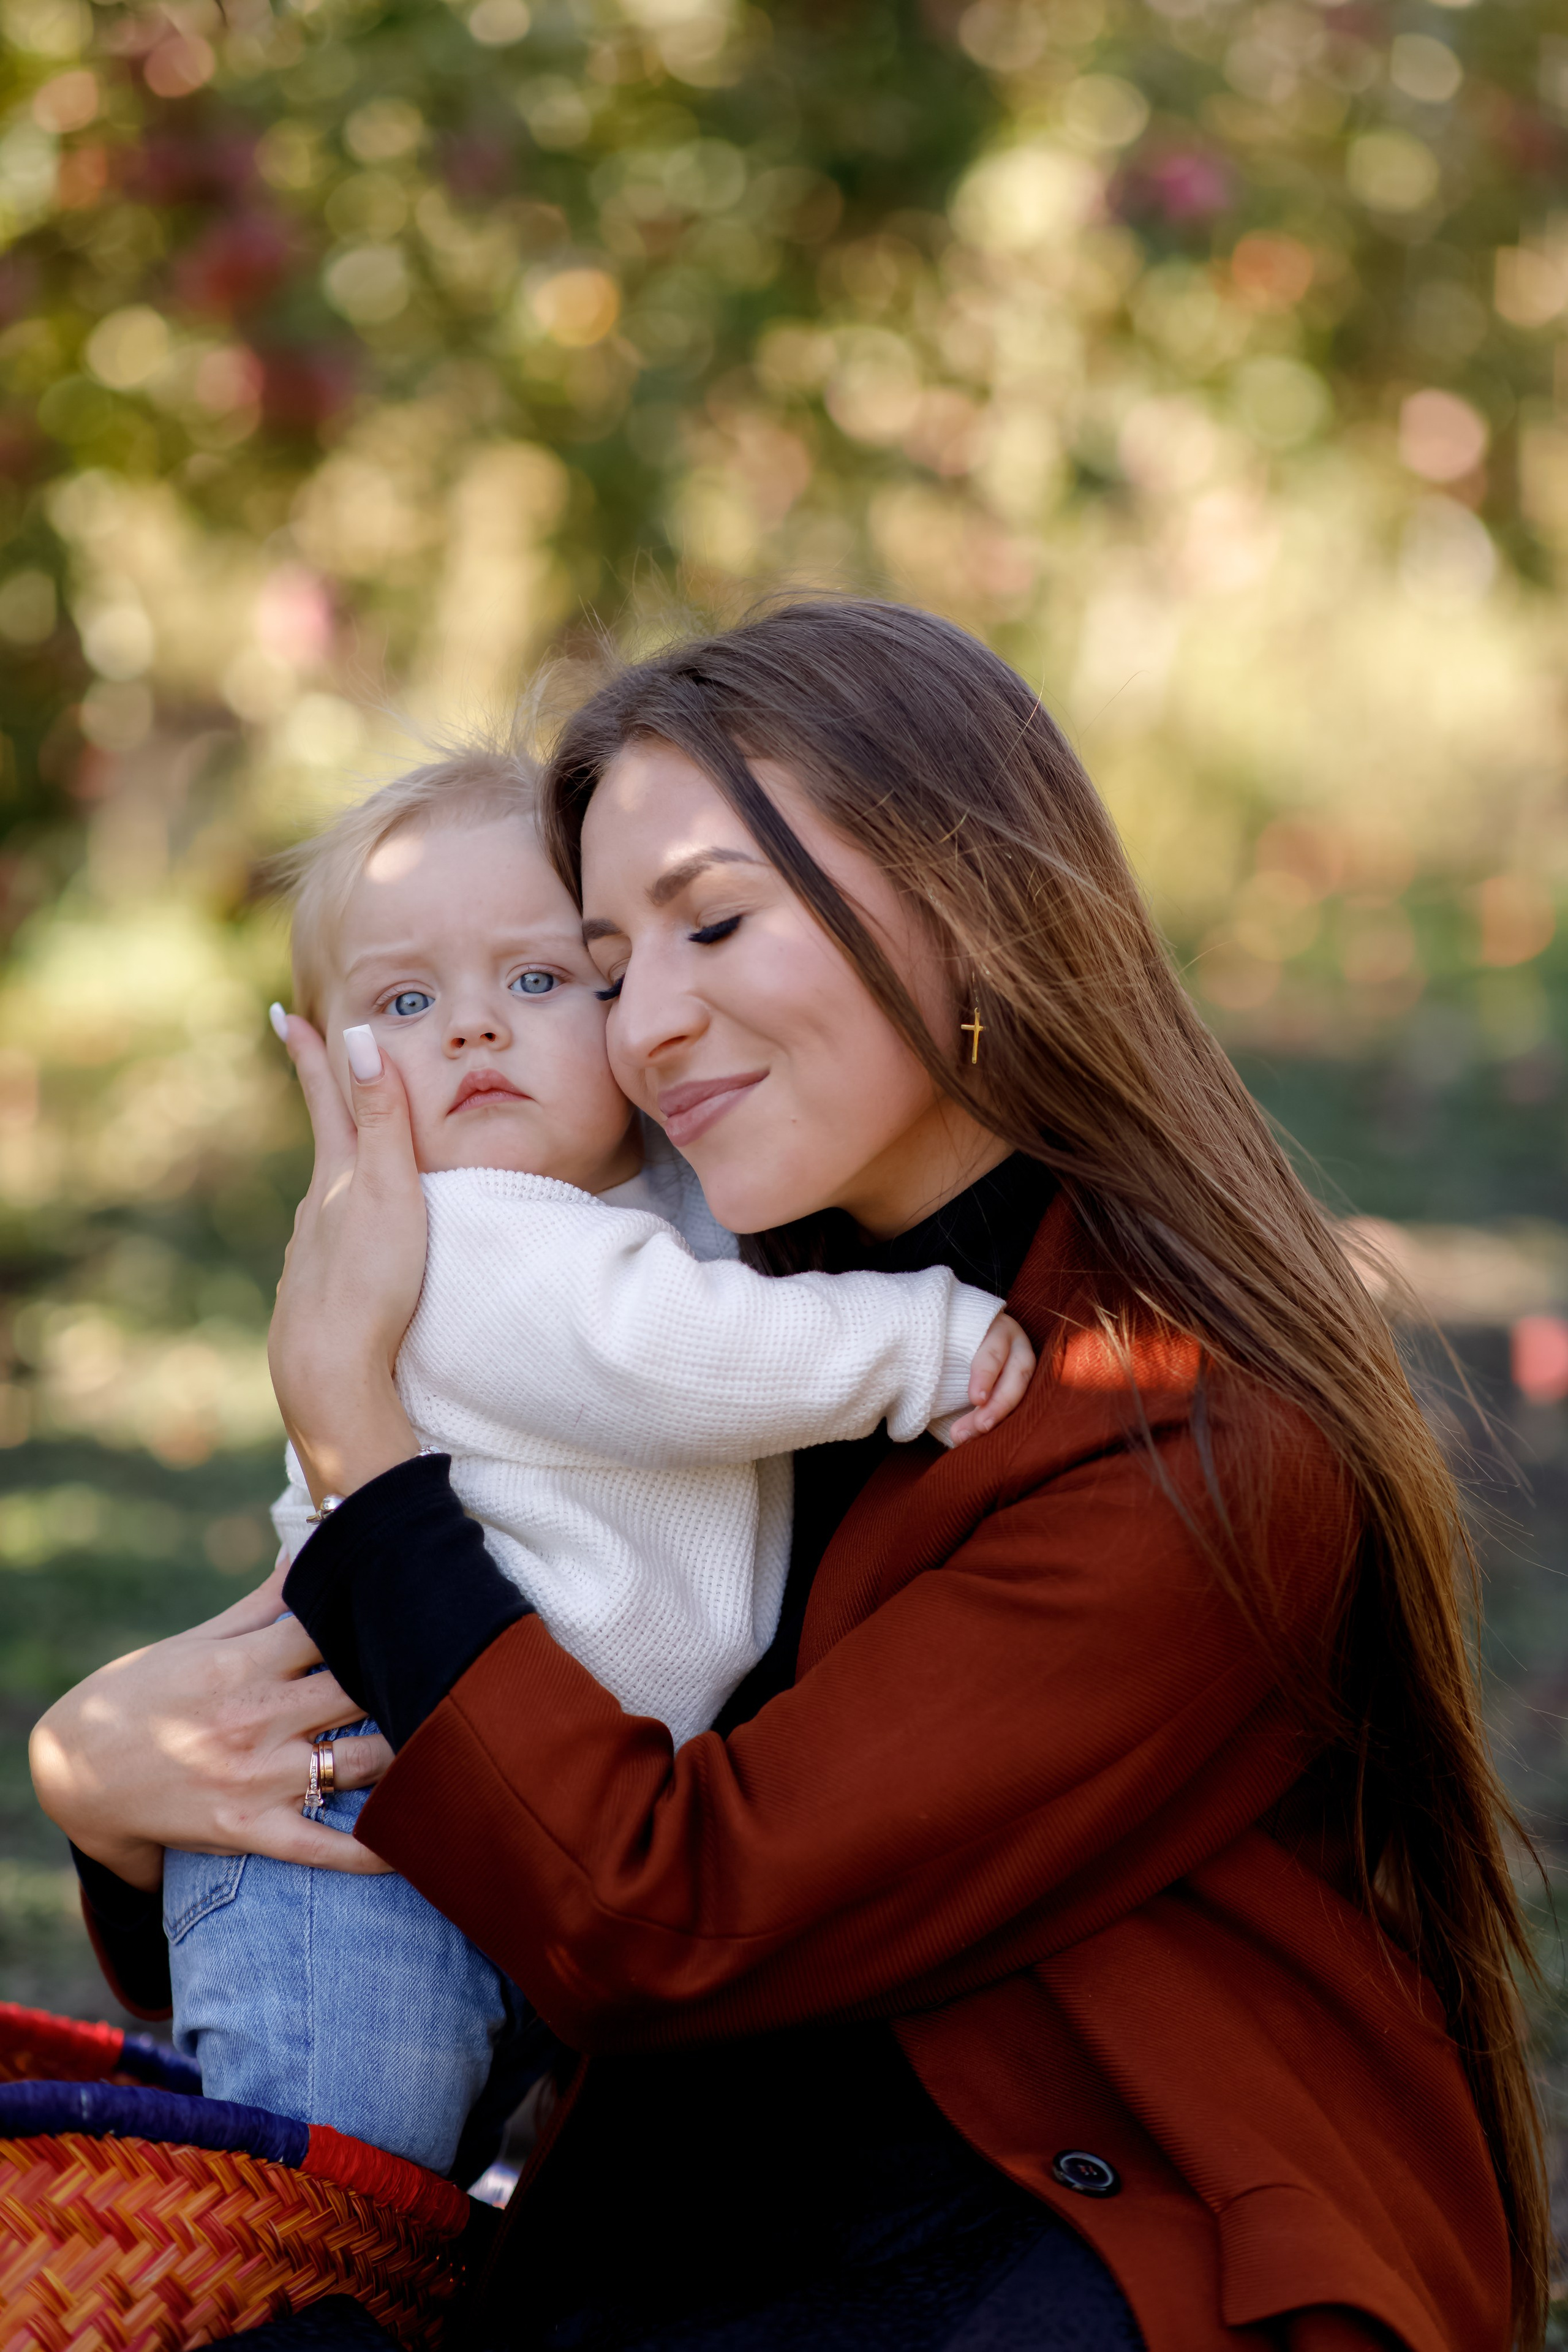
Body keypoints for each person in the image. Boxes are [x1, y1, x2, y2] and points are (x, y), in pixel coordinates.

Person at [32, 600, 1546, 2352]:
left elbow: (659, 1918)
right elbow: (464, 1814)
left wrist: (360, 1442)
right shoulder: (709, 1320)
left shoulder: (1183, 1428)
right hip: (702, 2227)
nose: (650, 1023)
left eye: (715, 925)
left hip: (1054, 2262)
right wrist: (113, 1791)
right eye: (603, 965)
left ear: (971, 901)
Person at [164, 747, 1031, 2176]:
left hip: (514, 1810)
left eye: (539, 979)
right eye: (402, 1002)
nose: (472, 1034)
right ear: (327, 1064)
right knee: (324, 2203)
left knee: (445, 2215)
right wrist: (919, 1346)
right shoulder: (464, 1240)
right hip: (367, 1838)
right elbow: (667, 1350)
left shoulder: (649, 1190)